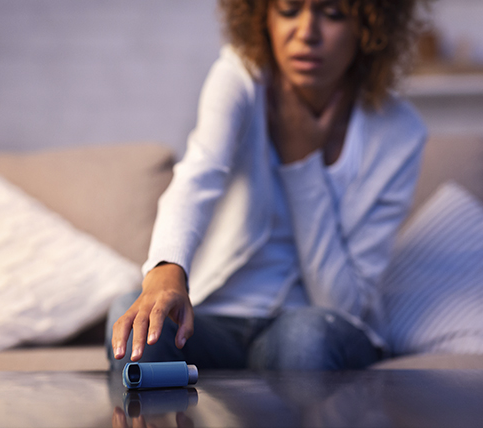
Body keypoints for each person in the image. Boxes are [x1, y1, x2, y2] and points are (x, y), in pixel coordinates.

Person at [108, 0, 427, 371]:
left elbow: (340, 305)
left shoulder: (400, 133)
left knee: (305, 339)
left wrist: (300, 163)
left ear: (370, 28)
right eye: (289, 10)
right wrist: (165, 269)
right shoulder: (240, 76)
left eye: (334, 13)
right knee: (131, 318)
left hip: (314, 324)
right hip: (215, 321)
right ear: (263, 20)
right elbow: (199, 175)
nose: (306, 33)